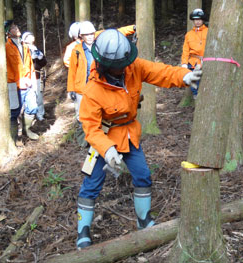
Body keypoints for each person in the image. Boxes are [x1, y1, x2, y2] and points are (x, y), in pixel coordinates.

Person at [76, 29, 202, 249]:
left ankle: (143, 220)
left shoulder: (133, 67)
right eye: (119, 64)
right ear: (106, 64)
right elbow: (91, 128)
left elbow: (159, 72)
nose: (124, 67)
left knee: (143, 176)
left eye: (125, 62)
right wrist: (107, 150)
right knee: (91, 184)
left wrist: (184, 77)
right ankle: (83, 231)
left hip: (129, 134)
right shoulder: (93, 90)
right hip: (104, 139)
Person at [67, 21, 137, 147]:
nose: (90, 36)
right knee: (82, 115)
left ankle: (100, 137)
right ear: (81, 36)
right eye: (86, 35)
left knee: (101, 112)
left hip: (99, 84)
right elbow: (72, 70)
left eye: (91, 34)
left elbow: (117, 33)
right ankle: (86, 139)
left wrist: (132, 28)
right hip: (82, 87)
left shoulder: (100, 40)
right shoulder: (76, 50)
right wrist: (70, 89)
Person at [5, 20, 40, 141]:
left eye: (16, 26)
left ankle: (27, 129)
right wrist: (19, 80)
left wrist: (31, 79)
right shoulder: (5, 47)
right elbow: (7, 68)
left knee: (33, 107)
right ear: (8, 32)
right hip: (14, 85)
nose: (17, 28)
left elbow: (29, 64)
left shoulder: (24, 46)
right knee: (14, 112)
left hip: (28, 83)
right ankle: (14, 137)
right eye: (13, 27)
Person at [181, 8, 208, 99]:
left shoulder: (209, 32)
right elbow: (185, 50)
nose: (197, 22)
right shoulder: (189, 34)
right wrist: (184, 63)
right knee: (193, 80)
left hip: (206, 61)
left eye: (199, 19)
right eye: (196, 20)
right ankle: (196, 97)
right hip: (193, 61)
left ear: (202, 20)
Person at [22, 32, 48, 121]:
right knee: (30, 96)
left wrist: (40, 58)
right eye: (28, 36)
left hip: (38, 75)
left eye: (32, 35)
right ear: (24, 40)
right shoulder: (23, 49)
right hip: (29, 77)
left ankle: (40, 114)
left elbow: (44, 62)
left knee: (39, 95)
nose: (31, 37)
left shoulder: (37, 49)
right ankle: (29, 116)